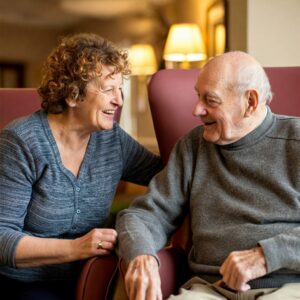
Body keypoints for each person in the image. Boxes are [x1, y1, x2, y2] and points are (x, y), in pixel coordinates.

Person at [116, 51, 300, 300]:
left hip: (288, 287)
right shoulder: (193, 146)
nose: (196, 110)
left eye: (210, 100)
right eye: (197, 96)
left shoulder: (295, 141)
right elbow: (144, 215)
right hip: (210, 290)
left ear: (251, 102)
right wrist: (141, 255)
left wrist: (266, 256)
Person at [0, 33, 163, 300]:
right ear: (73, 94)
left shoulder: (111, 140)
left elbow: (167, 177)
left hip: (94, 277)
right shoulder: (22, 142)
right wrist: (77, 248)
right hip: (26, 286)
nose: (119, 100)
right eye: (108, 89)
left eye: (120, 88)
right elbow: (1, 238)